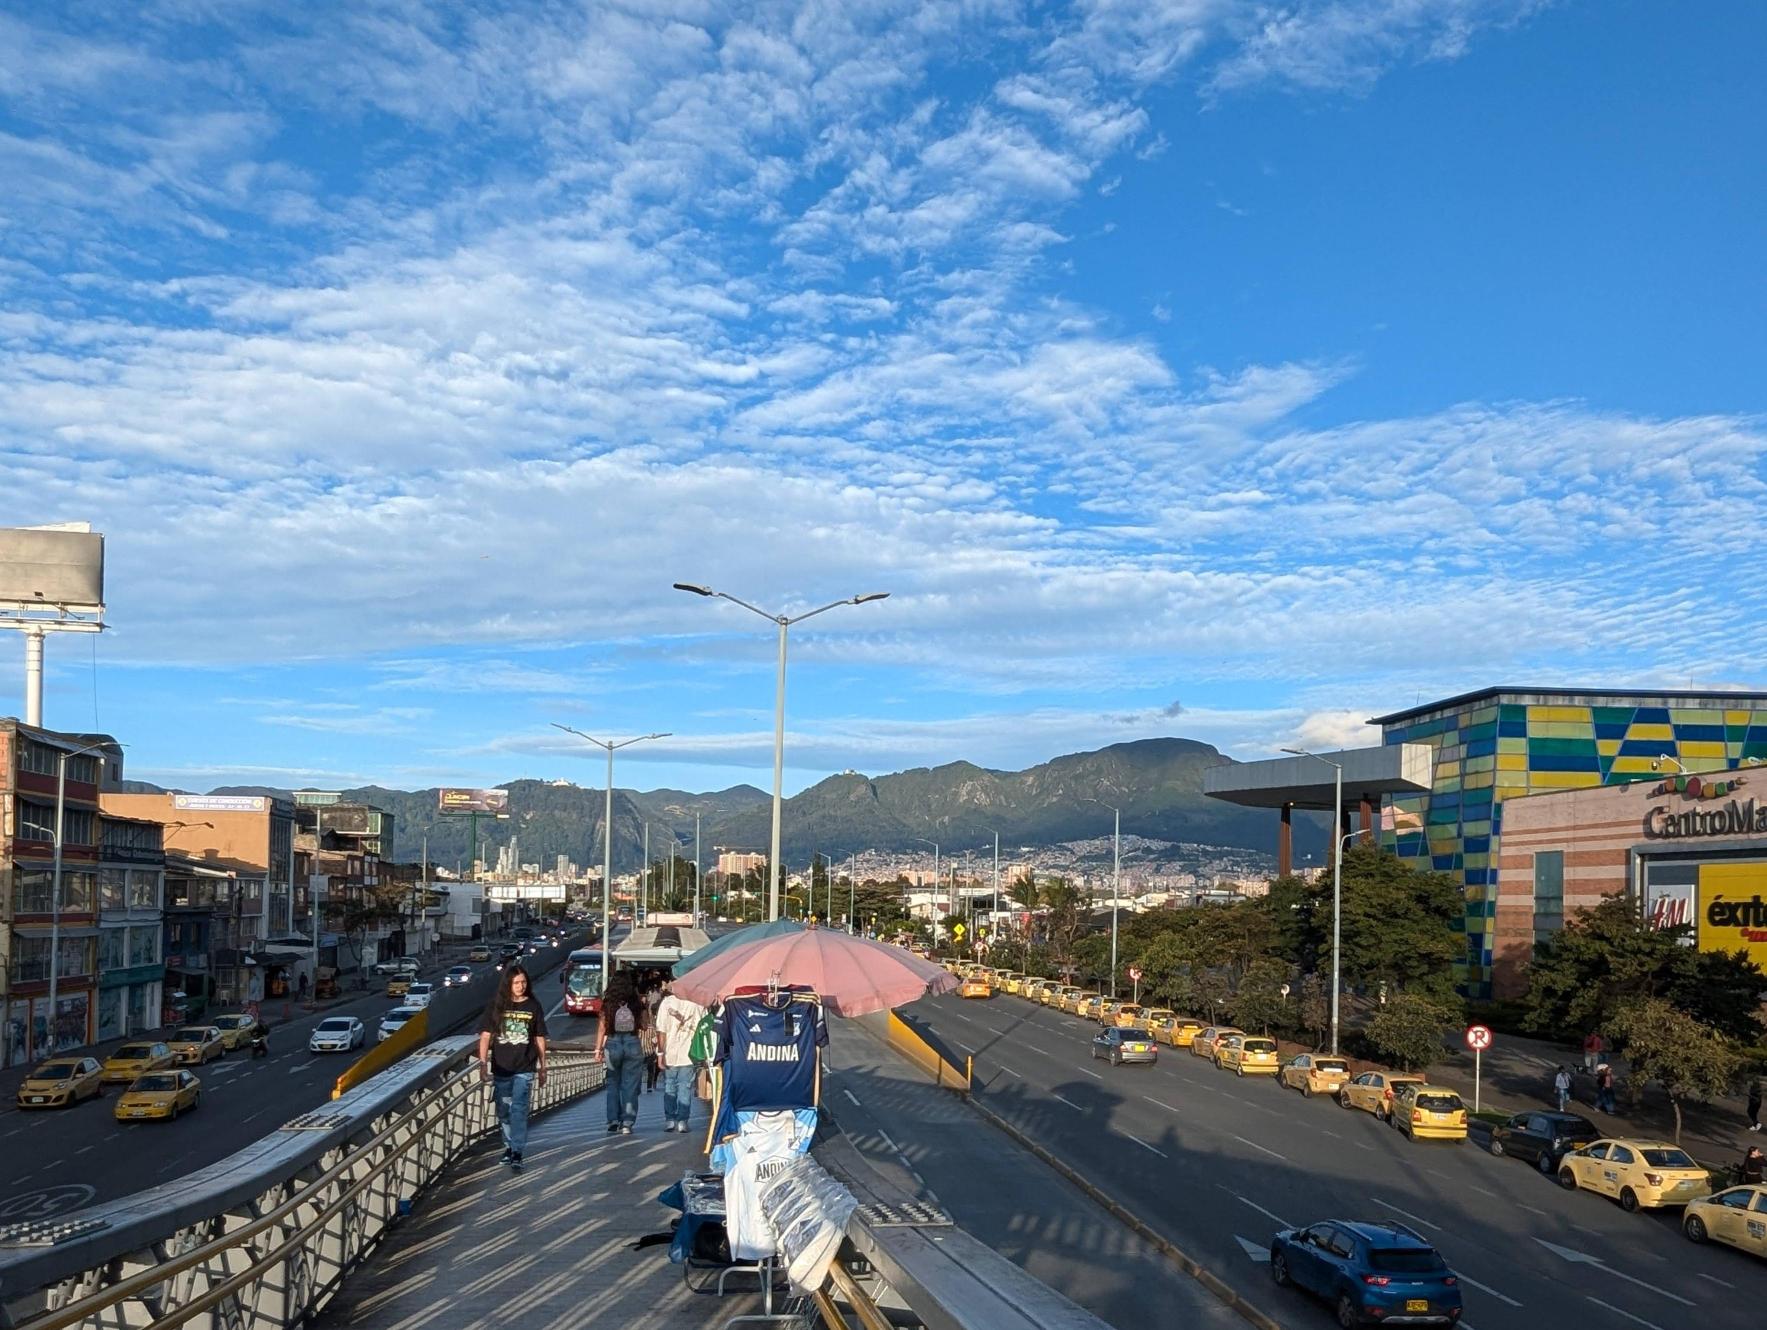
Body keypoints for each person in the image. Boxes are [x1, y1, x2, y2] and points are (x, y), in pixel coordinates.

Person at [477, 965, 548, 1174]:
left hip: (525, 1066)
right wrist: (482, 1063)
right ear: (508, 983)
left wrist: (543, 1066)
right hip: (501, 1067)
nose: (520, 986)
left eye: (524, 982)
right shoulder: (496, 1006)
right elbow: (485, 1036)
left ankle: (517, 1151)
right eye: (516, 982)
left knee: (518, 1110)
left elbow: (539, 1037)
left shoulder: (533, 1006)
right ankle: (508, 1145)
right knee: (504, 1110)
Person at [594, 972, 648, 1135]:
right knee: (629, 1086)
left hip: (613, 1043)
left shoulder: (608, 1003)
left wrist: (598, 1050)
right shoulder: (636, 1002)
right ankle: (627, 1123)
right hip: (632, 1043)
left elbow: (602, 1028)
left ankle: (613, 1120)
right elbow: (644, 1026)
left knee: (613, 1083)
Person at [654, 982, 707, 1134]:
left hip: (669, 1052)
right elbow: (703, 1028)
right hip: (689, 1053)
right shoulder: (698, 1003)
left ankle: (670, 1120)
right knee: (685, 1086)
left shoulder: (667, 1003)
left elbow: (661, 1031)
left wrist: (660, 1054)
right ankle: (683, 1121)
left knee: (670, 1086)